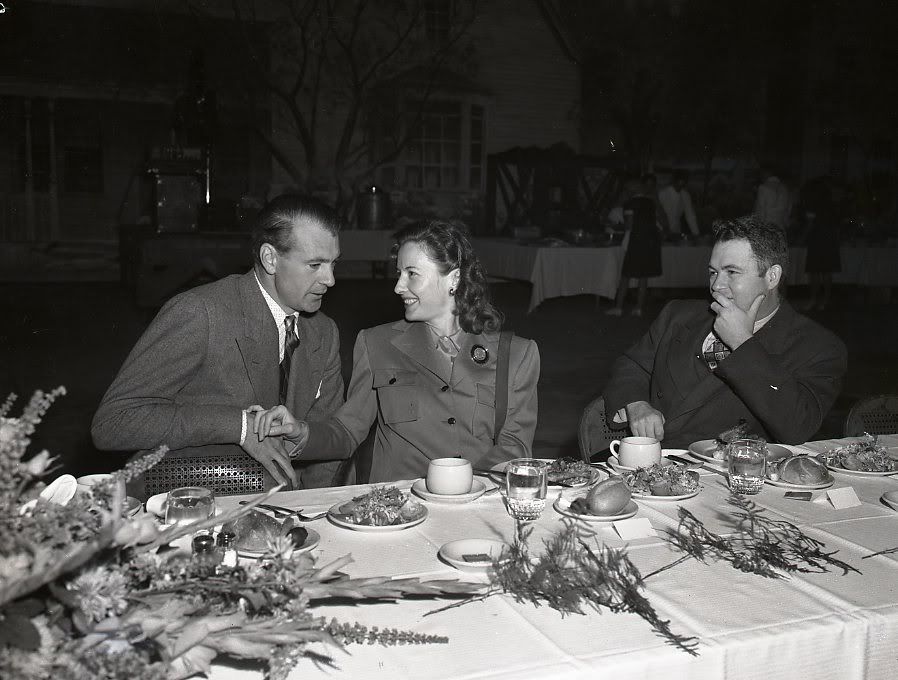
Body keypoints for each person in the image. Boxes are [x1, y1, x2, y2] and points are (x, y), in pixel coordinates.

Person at [251, 219, 541, 483]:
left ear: (453, 279)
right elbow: (348, 430)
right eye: (399, 273)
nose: (399, 287)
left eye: (412, 274)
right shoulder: (377, 343)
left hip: (476, 503)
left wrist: (464, 485)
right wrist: (300, 431)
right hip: (399, 507)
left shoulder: (516, 355)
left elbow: (515, 445)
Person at [91, 194, 346, 491]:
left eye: (333, 264)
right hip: (184, 499)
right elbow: (112, 423)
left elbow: (329, 442)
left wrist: (316, 507)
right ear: (270, 259)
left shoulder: (324, 332)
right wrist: (240, 426)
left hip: (281, 505)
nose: (330, 280)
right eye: (315, 265)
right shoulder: (201, 313)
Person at [603, 215, 847, 447]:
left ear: (772, 277)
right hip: (652, 461)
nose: (716, 286)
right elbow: (632, 365)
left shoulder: (817, 347)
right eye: (713, 272)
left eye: (732, 272)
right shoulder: (677, 315)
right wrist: (636, 405)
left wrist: (743, 343)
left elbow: (797, 427)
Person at [607, 176, 662, 317]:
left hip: (635, 242)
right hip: (650, 243)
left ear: (630, 191)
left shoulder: (630, 204)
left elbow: (629, 226)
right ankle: (638, 308)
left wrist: (616, 226)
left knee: (625, 276)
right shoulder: (650, 203)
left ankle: (618, 308)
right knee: (643, 277)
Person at [799, 176, 841, 311]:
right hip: (829, 240)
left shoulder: (812, 204)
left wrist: (801, 239)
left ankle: (814, 299)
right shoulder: (831, 205)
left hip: (817, 239)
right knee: (826, 272)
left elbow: (810, 225)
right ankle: (825, 300)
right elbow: (836, 226)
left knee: (815, 272)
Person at [658, 170, 700, 238]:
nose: (681, 184)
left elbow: (690, 216)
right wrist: (663, 229)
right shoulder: (662, 194)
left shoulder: (685, 195)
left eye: (683, 181)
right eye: (679, 181)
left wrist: (696, 234)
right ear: (673, 180)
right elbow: (658, 214)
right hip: (661, 231)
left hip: (676, 231)